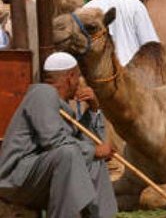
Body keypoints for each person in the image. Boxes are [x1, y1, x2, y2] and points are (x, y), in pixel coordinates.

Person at [0, 52, 117, 218]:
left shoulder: (58, 103)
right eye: (78, 77)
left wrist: (93, 109)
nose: (79, 83)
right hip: (16, 179)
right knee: (68, 154)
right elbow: (54, 141)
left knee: (91, 161)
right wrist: (95, 151)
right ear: (70, 77)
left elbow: (84, 143)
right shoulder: (42, 93)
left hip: (40, 178)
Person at [84, 0, 160, 66]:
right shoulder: (135, 5)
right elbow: (151, 46)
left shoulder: (87, 10)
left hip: (104, 77)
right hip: (135, 73)